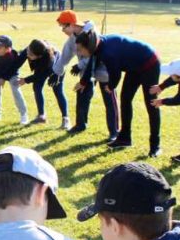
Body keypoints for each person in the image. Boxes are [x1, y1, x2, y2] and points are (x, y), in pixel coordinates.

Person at [76, 30, 161, 157]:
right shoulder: (98, 45)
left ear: (89, 46)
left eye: (80, 49)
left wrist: (110, 86)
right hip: (134, 67)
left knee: (151, 104)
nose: (79, 52)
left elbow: (115, 75)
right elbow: (92, 63)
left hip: (149, 63)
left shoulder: (108, 52)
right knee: (125, 99)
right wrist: (83, 81)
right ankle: (125, 138)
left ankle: (155, 146)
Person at [53, 11, 119, 141]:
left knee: (109, 100)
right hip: (86, 72)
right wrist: (56, 72)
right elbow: (65, 55)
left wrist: (80, 65)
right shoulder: (72, 38)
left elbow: (95, 55)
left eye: (63, 27)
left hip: (104, 70)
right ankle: (80, 125)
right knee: (82, 94)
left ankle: (114, 132)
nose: (62, 30)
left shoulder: (92, 33)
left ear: (71, 24)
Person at [15, 39, 70, 129]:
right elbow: (17, 62)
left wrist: (25, 80)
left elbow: (39, 75)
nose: (27, 54)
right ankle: (41, 116)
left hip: (57, 69)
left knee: (58, 91)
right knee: (37, 87)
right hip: (42, 66)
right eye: (28, 51)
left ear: (39, 56)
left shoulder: (49, 60)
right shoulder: (30, 49)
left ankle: (66, 119)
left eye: (31, 55)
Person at [150, 59, 180, 162]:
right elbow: (174, 79)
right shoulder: (177, 75)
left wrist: (162, 101)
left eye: (172, 74)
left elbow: (178, 100)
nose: (170, 75)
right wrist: (161, 87)